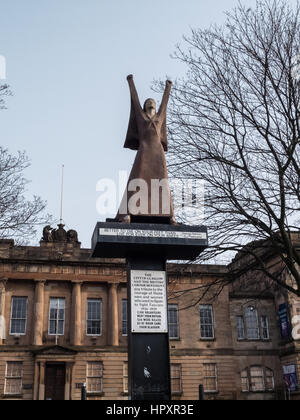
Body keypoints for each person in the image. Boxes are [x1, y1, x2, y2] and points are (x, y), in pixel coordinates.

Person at [116, 74, 175, 223]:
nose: (151, 102)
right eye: (148, 101)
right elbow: (135, 100)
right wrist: (131, 82)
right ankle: (128, 213)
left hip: (158, 154)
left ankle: (170, 215)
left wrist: (168, 87)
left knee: (163, 183)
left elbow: (165, 103)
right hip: (144, 151)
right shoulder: (141, 116)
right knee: (137, 180)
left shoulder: (159, 116)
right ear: (145, 106)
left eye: (152, 101)